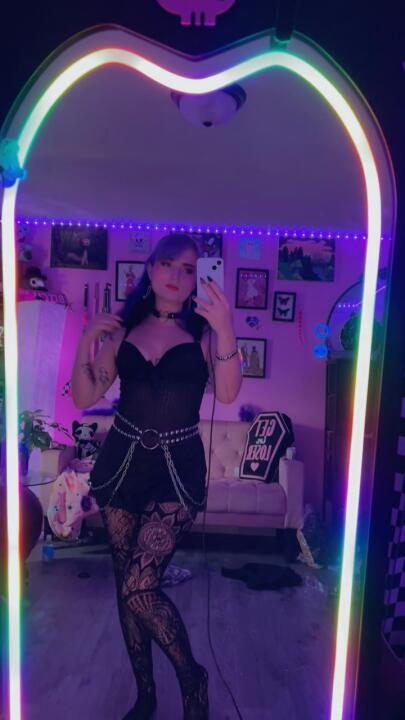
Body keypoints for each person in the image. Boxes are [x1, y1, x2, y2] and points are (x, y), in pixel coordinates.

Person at [71, 233, 242, 719]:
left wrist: (226, 327)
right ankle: (145, 695)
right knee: (124, 585)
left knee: (139, 586)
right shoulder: (124, 331)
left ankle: (192, 678)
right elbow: (84, 396)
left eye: (188, 269)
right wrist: (87, 341)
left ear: (198, 279)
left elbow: (228, 394)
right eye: (167, 263)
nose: (176, 275)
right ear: (149, 269)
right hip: (122, 463)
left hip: (177, 469)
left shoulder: (205, 334)